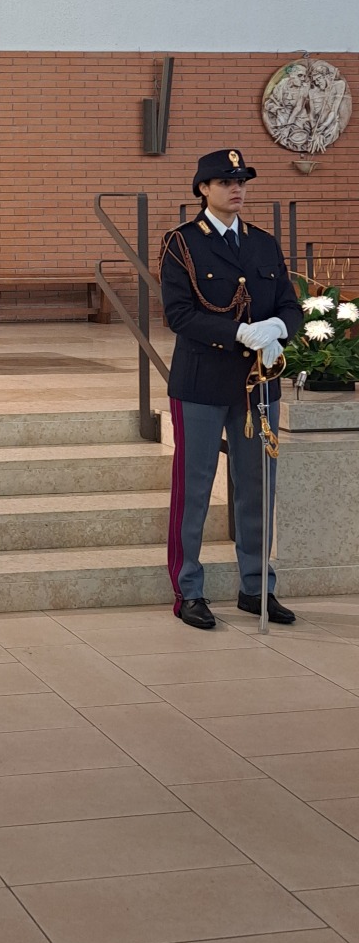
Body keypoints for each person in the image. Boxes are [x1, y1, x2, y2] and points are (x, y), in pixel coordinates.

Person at [160, 148, 303, 630]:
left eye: (241, 180)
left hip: (257, 386)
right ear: (202, 188)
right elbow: (179, 315)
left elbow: (291, 305)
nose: (236, 188)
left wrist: (277, 328)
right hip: (201, 383)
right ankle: (189, 590)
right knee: (195, 488)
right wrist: (238, 332)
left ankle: (256, 586)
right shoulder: (182, 244)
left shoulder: (263, 244)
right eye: (224, 181)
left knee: (257, 489)